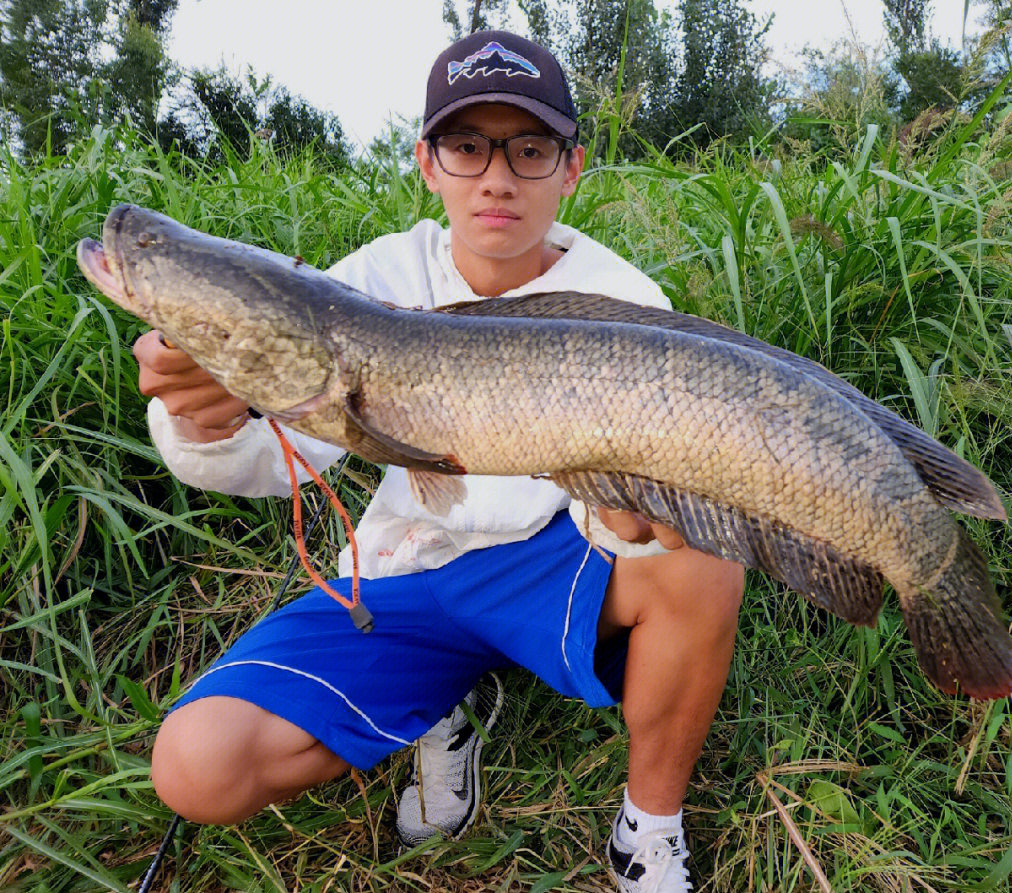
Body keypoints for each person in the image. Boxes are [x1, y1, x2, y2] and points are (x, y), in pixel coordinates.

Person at [138, 30, 744, 893]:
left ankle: (649, 828)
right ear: (428, 162)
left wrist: (630, 517)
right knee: (196, 767)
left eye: (529, 149)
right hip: (406, 566)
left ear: (571, 168)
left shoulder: (627, 303)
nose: (496, 176)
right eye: (467, 146)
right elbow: (284, 458)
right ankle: (434, 704)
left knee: (703, 553)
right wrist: (206, 417)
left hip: (552, 555)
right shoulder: (370, 278)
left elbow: (628, 501)